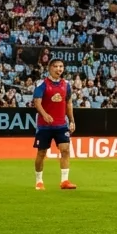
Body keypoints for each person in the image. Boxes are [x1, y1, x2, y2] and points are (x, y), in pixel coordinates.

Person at [32, 58, 77, 191]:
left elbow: (68, 103)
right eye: (56, 66)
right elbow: (37, 102)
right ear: (50, 68)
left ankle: (64, 181)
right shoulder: (42, 84)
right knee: (41, 153)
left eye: (61, 66)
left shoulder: (66, 84)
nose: (59, 69)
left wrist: (72, 120)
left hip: (61, 124)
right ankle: (39, 181)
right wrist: (45, 115)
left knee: (65, 149)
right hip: (44, 125)